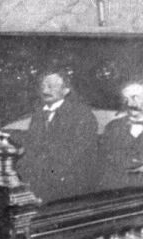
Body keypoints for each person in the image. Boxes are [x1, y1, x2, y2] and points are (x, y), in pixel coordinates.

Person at [6, 71, 102, 201]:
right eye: (43, 86)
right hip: (39, 182)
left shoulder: (81, 115)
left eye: (51, 86)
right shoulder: (39, 115)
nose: (45, 90)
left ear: (66, 90)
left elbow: (80, 152)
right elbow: (32, 147)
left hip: (70, 185)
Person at [99, 81, 143, 189]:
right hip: (119, 189)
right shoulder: (112, 127)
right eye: (125, 99)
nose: (130, 104)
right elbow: (103, 162)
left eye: (135, 97)